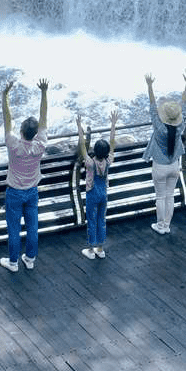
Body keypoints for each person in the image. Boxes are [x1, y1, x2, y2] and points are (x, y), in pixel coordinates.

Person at [0, 77, 50, 272]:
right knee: (32, 227)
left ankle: (13, 263)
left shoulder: (14, 145)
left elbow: (7, 119)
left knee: (14, 229)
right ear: (36, 133)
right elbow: (44, 118)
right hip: (32, 192)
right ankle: (29, 258)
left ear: (20, 132)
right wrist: (44, 92)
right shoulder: (40, 145)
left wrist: (5, 95)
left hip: (14, 192)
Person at [144, 69, 186, 234]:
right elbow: (184, 103)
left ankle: (160, 225)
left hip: (160, 166)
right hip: (174, 165)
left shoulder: (159, 127)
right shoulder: (180, 126)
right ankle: (166, 225)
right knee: (170, 195)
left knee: (160, 197)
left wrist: (150, 86)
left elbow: (151, 104)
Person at [75, 110, 118, 259]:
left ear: (95, 150)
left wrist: (79, 127)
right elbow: (112, 143)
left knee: (91, 220)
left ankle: (91, 250)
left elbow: (82, 146)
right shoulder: (108, 161)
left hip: (92, 193)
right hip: (103, 193)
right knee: (101, 219)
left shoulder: (90, 163)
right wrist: (113, 124)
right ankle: (100, 248)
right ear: (106, 153)